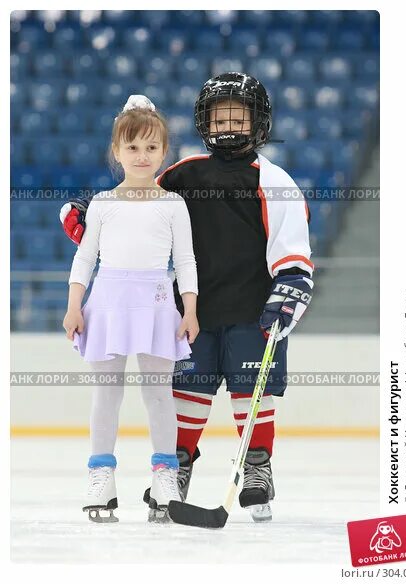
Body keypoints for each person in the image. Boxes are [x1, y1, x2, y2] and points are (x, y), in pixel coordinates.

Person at [60, 73, 313, 523]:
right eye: (220, 117)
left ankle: (256, 466)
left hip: (254, 308)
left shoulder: (274, 180)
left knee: (248, 389)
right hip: (190, 308)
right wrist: (91, 224)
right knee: (187, 391)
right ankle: (175, 467)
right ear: (203, 122)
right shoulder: (184, 174)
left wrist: (291, 282)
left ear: (259, 122)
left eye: (239, 116)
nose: (229, 125)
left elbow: (291, 244)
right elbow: (140, 202)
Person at [62, 95, 199, 523]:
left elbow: (187, 260)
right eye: (133, 147)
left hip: (158, 304)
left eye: (151, 147)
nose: (142, 156)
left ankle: (164, 474)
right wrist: (74, 305)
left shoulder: (173, 205)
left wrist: (190, 309)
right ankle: (101, 474)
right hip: (107, 303)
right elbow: (85, 258)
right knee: (107, 393)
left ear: (164, 151)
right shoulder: (103, 203)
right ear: (117, 151)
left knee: (159, 393)